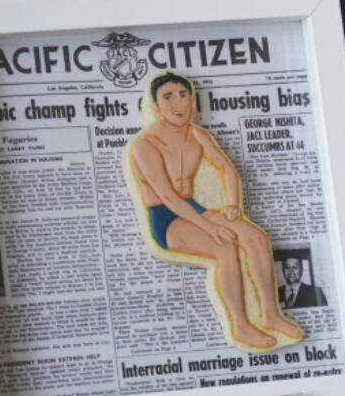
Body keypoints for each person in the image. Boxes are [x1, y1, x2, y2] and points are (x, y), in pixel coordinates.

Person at [127, 71, 302, 351]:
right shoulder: (144, 145)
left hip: (194, 208)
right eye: (168, 97)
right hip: (166, 218)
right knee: (224, 246)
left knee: (255, 236)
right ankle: (240, 325)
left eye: (183, 94)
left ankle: (270, 313)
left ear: (192, 99)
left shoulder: (197, 134)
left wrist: (233, 206)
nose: (177, 103)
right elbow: (168, 197)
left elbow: (226, 169)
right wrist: (212, 228)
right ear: (155, 106)